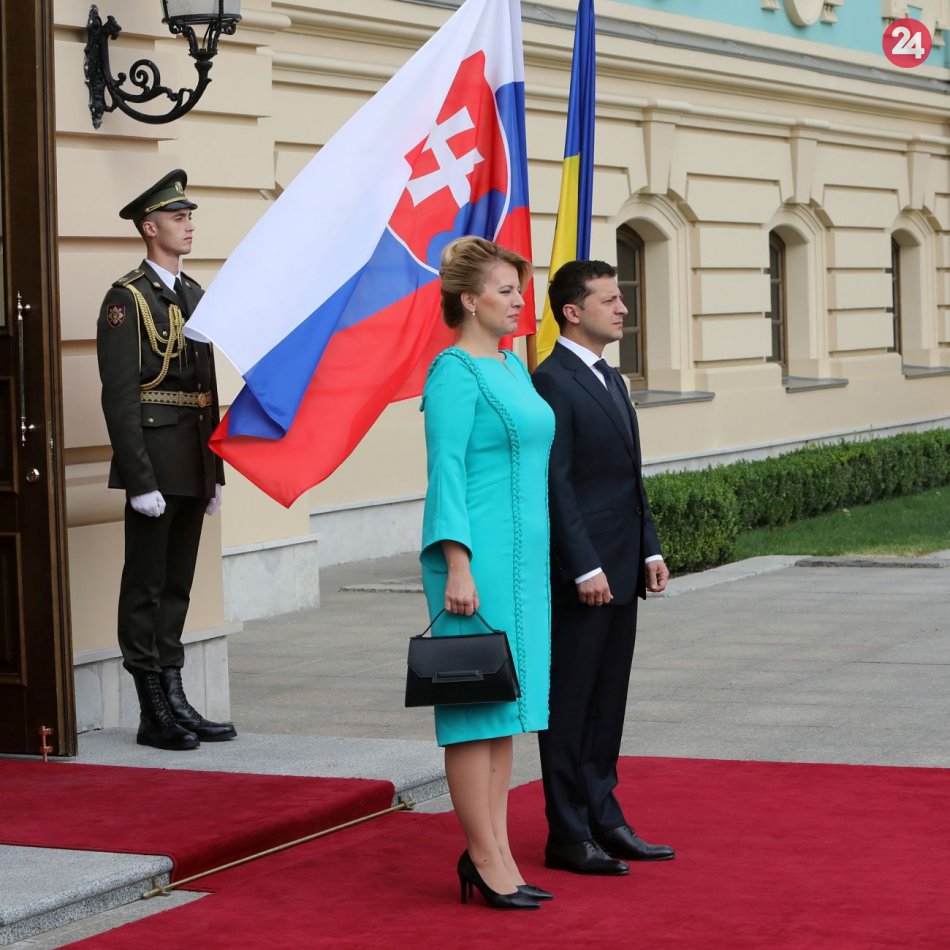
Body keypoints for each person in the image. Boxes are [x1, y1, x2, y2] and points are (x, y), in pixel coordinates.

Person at [420, 237, 555, 910]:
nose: (519, 301)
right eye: (506, 290)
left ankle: (499, 852)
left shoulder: (511, 366)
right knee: (474, 711)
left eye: (519, 289)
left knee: (506, 711)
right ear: (470, 300)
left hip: (524, 564)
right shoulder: (453, 371)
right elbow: (445, 470)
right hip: (475, 563)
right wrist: (457, 564)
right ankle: (482, 856)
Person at [532, 259, 674, 876]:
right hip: (582, 576)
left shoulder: (610, 377)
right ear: (573, 311)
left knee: (607, 701)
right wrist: (583, 566)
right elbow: (555, 483)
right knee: (571, 705)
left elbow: (627, 477)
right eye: (609, 300)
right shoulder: (551, 380)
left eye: (621, 298)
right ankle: (567, 833)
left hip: (621, 566)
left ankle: (604, 818)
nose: (622, 309)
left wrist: (649, 548)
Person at [96, 169, 236, 751]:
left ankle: (175, 697)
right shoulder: (126, 299)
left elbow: (208, 389)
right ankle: (152, 709)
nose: (189, 226)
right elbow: (120, 396)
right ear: (150, 228)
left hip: (192, 461)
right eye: (178, 218)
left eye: (189, 217)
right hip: (154, 461)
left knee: (177, 583)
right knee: (146, 584)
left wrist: (214, 470)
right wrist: (138, 479)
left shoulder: (195, 294)